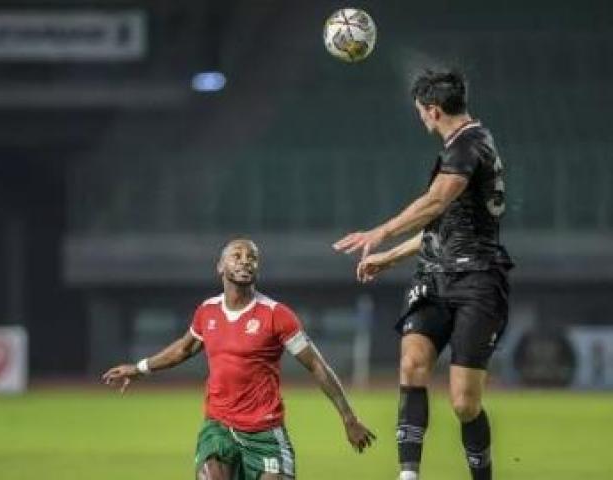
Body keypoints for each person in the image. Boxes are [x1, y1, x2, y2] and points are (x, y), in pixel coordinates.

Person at [333, 69, 513, 480]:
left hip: (476, 279)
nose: (420, 119)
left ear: (433, 111)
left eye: (420, 112)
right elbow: (444, 226)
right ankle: (408, 475)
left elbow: (435, 203)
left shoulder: (468, 145)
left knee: (465, 403)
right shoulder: (463, 145)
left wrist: (380, 233)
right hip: (433, 275)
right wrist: (392, 256)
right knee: (412, 363)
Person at [103, 238, 375, 480]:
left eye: (252, 257)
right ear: (220, 267)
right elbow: (183, 349)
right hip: (219, 428)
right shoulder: (207, 311)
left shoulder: (276, 315)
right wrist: (139, 369)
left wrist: (349, 418)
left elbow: (316, 365)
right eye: (237, 255)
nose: (245, 261)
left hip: (265, 433)